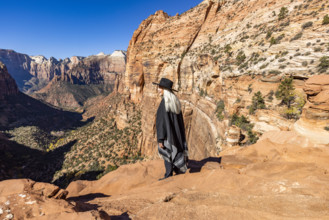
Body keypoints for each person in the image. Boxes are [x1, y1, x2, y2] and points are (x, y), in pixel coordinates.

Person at [152, 78, 188, 180]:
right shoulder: (174, 101)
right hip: (176, 132)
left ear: (165, 90)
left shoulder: (164, 103)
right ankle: (177, 169)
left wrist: (160, 139)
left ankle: (168, 174)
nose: (158, 89)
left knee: (167, 152)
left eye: (160, 87)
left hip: (167, 134)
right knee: (175, 149)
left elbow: (161, 123)